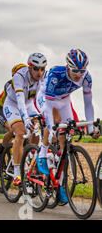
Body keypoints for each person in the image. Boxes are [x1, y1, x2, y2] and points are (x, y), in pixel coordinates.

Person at [37, 49, 99, 204]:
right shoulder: (55, 75)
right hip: (46, 98)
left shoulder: (86, 78)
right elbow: (50, 106)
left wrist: (91, 129)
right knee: (56, 122)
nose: (78, 74)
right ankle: (42, 154)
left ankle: (60, 185)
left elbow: (88, 103)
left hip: (64, 100)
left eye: (82, 71)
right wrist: (51, 128)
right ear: (67, 67)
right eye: (75, 70)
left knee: (65, 142)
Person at [1, 53, 47, 186]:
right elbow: (20, 100)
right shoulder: (19, 76)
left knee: (37, 130)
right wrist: (26, 119)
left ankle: (31, 160)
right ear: (30, 67)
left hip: (29, 104)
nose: (39, 72)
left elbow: (42, 98)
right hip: (13, 105)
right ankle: (16, 172)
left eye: (42, 69)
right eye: (36, 69)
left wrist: (44, 114)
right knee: (20, 133)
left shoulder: (43, 77)